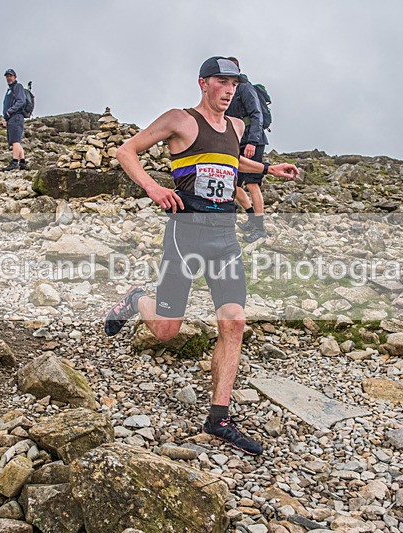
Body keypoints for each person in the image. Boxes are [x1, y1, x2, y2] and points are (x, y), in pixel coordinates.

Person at [105, 57, 298, 455]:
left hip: (224, 237)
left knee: (234, 321)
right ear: (203, 83)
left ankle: (219, 418)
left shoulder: (237, 127)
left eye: (234, 84)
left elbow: (230, 158)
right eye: (222, 82)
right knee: (166, 331)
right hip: (185, 235)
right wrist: (153, 189)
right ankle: (137, 298)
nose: (229, 91)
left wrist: (267, 168)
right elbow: (126, 152)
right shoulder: (179, 120)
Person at [225, 57, 269, 243]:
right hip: (237, 141)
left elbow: (256, 115)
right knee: (233, 183)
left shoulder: (245, 88)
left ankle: (260, 229)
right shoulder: (229, 90)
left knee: (252, 184)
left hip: (253, 141)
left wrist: (252, 141)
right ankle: (252, 218)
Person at [1, 68, 28, 171]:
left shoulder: (18, 87)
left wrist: (10, 111)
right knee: (15, 141)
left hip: (16, 117)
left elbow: (21, 101)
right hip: (11, 117)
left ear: (15, 77)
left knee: (15, 141)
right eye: (7, 76)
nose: (8, 78)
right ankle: (22, 162)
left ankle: (14, 162)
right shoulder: (10, 90)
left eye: (10, 76)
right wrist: (6, 118)